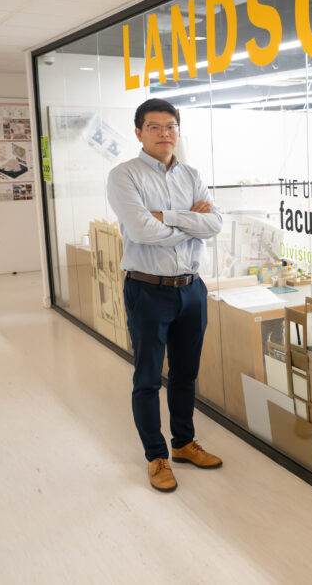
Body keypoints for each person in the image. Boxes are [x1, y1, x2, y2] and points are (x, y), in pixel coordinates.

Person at [106, 98, 224, 492]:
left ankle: (184, 443)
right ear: (139, 132)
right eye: (154, 126)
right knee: (147, 377)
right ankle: (156, 456)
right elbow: (140, 231)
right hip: (148, 289)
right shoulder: (124, 176)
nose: (163, 133)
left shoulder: (191, 174)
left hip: (191, 288)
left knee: (186, 374)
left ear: (178, 130)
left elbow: (216, 223)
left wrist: (169, 217)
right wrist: (193, 220)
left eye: (170, 126)